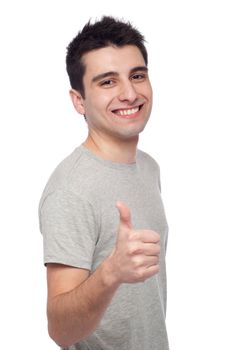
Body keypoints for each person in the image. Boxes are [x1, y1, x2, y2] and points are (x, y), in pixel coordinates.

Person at [39, 16, 169, 350]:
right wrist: (112, 272)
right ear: (79, 100)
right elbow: (60, 330)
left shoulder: (148, 168)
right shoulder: (71, 189)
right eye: (107, 82)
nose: (130, 93)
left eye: (137, 76)